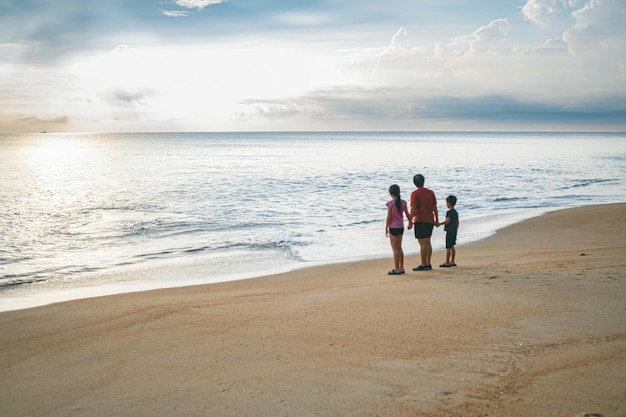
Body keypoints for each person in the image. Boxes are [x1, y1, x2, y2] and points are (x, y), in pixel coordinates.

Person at [410, 174, 438, 271]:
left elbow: (414, 208)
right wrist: (436, 220)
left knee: (422, 243)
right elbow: (435, 207)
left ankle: (423, 263)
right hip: (430, 218)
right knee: (428, 242)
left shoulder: (415, 194)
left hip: (420, 219)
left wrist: (410, 220)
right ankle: (428, 263)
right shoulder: (431, 193)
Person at [385, 184, 413, 275]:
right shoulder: (403, 202)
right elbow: (408, 214)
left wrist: (386, 227)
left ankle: (396, 268)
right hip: (400, 227)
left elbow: (389, 217)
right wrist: (410, 222)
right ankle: (401, 267)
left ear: (391, 194)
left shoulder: (390, 204)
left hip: (393, 227)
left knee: (395, 249)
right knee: (399, 248)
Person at [438, 195, 459, 267]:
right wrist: (456, 229)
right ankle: (452, 261)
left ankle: (447, 262)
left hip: (449, 231)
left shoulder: (449, 212)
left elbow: (447, 221)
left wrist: (439, 224)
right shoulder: (456, 212)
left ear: (449, 203)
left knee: (448, 247)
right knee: (452, 246)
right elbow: (457, 222)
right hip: (454, 231)